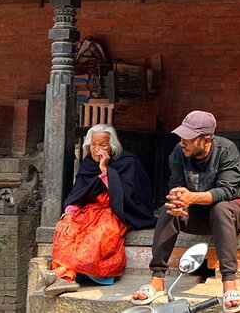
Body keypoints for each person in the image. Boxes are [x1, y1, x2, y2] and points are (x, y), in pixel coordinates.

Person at [131, 110, 240, 313]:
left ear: (206, 139)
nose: (182, 142)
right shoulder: (178, 152)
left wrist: (191, 198)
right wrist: (178, 200)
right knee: (168, 210)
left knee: (220, 208)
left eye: (188, 137)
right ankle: (157, 279)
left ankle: (229, 283)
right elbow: (175, 184)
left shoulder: (226, 150)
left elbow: (226, 191)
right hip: (197, 214)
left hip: (232, 212)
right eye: (181, 136)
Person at [39, 124, 155, 296]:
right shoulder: (87, 164)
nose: (97, 149)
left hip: (114, 212)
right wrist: (69, 215)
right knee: (66, 230)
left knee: (98, 235)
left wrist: (105, 170)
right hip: (88, 211)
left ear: (112, 146)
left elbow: (128, 198)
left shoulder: (128, 162)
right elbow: (77, 193)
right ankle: (66, 276)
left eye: (103, 145)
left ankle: (59, 274)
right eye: (94, 144)